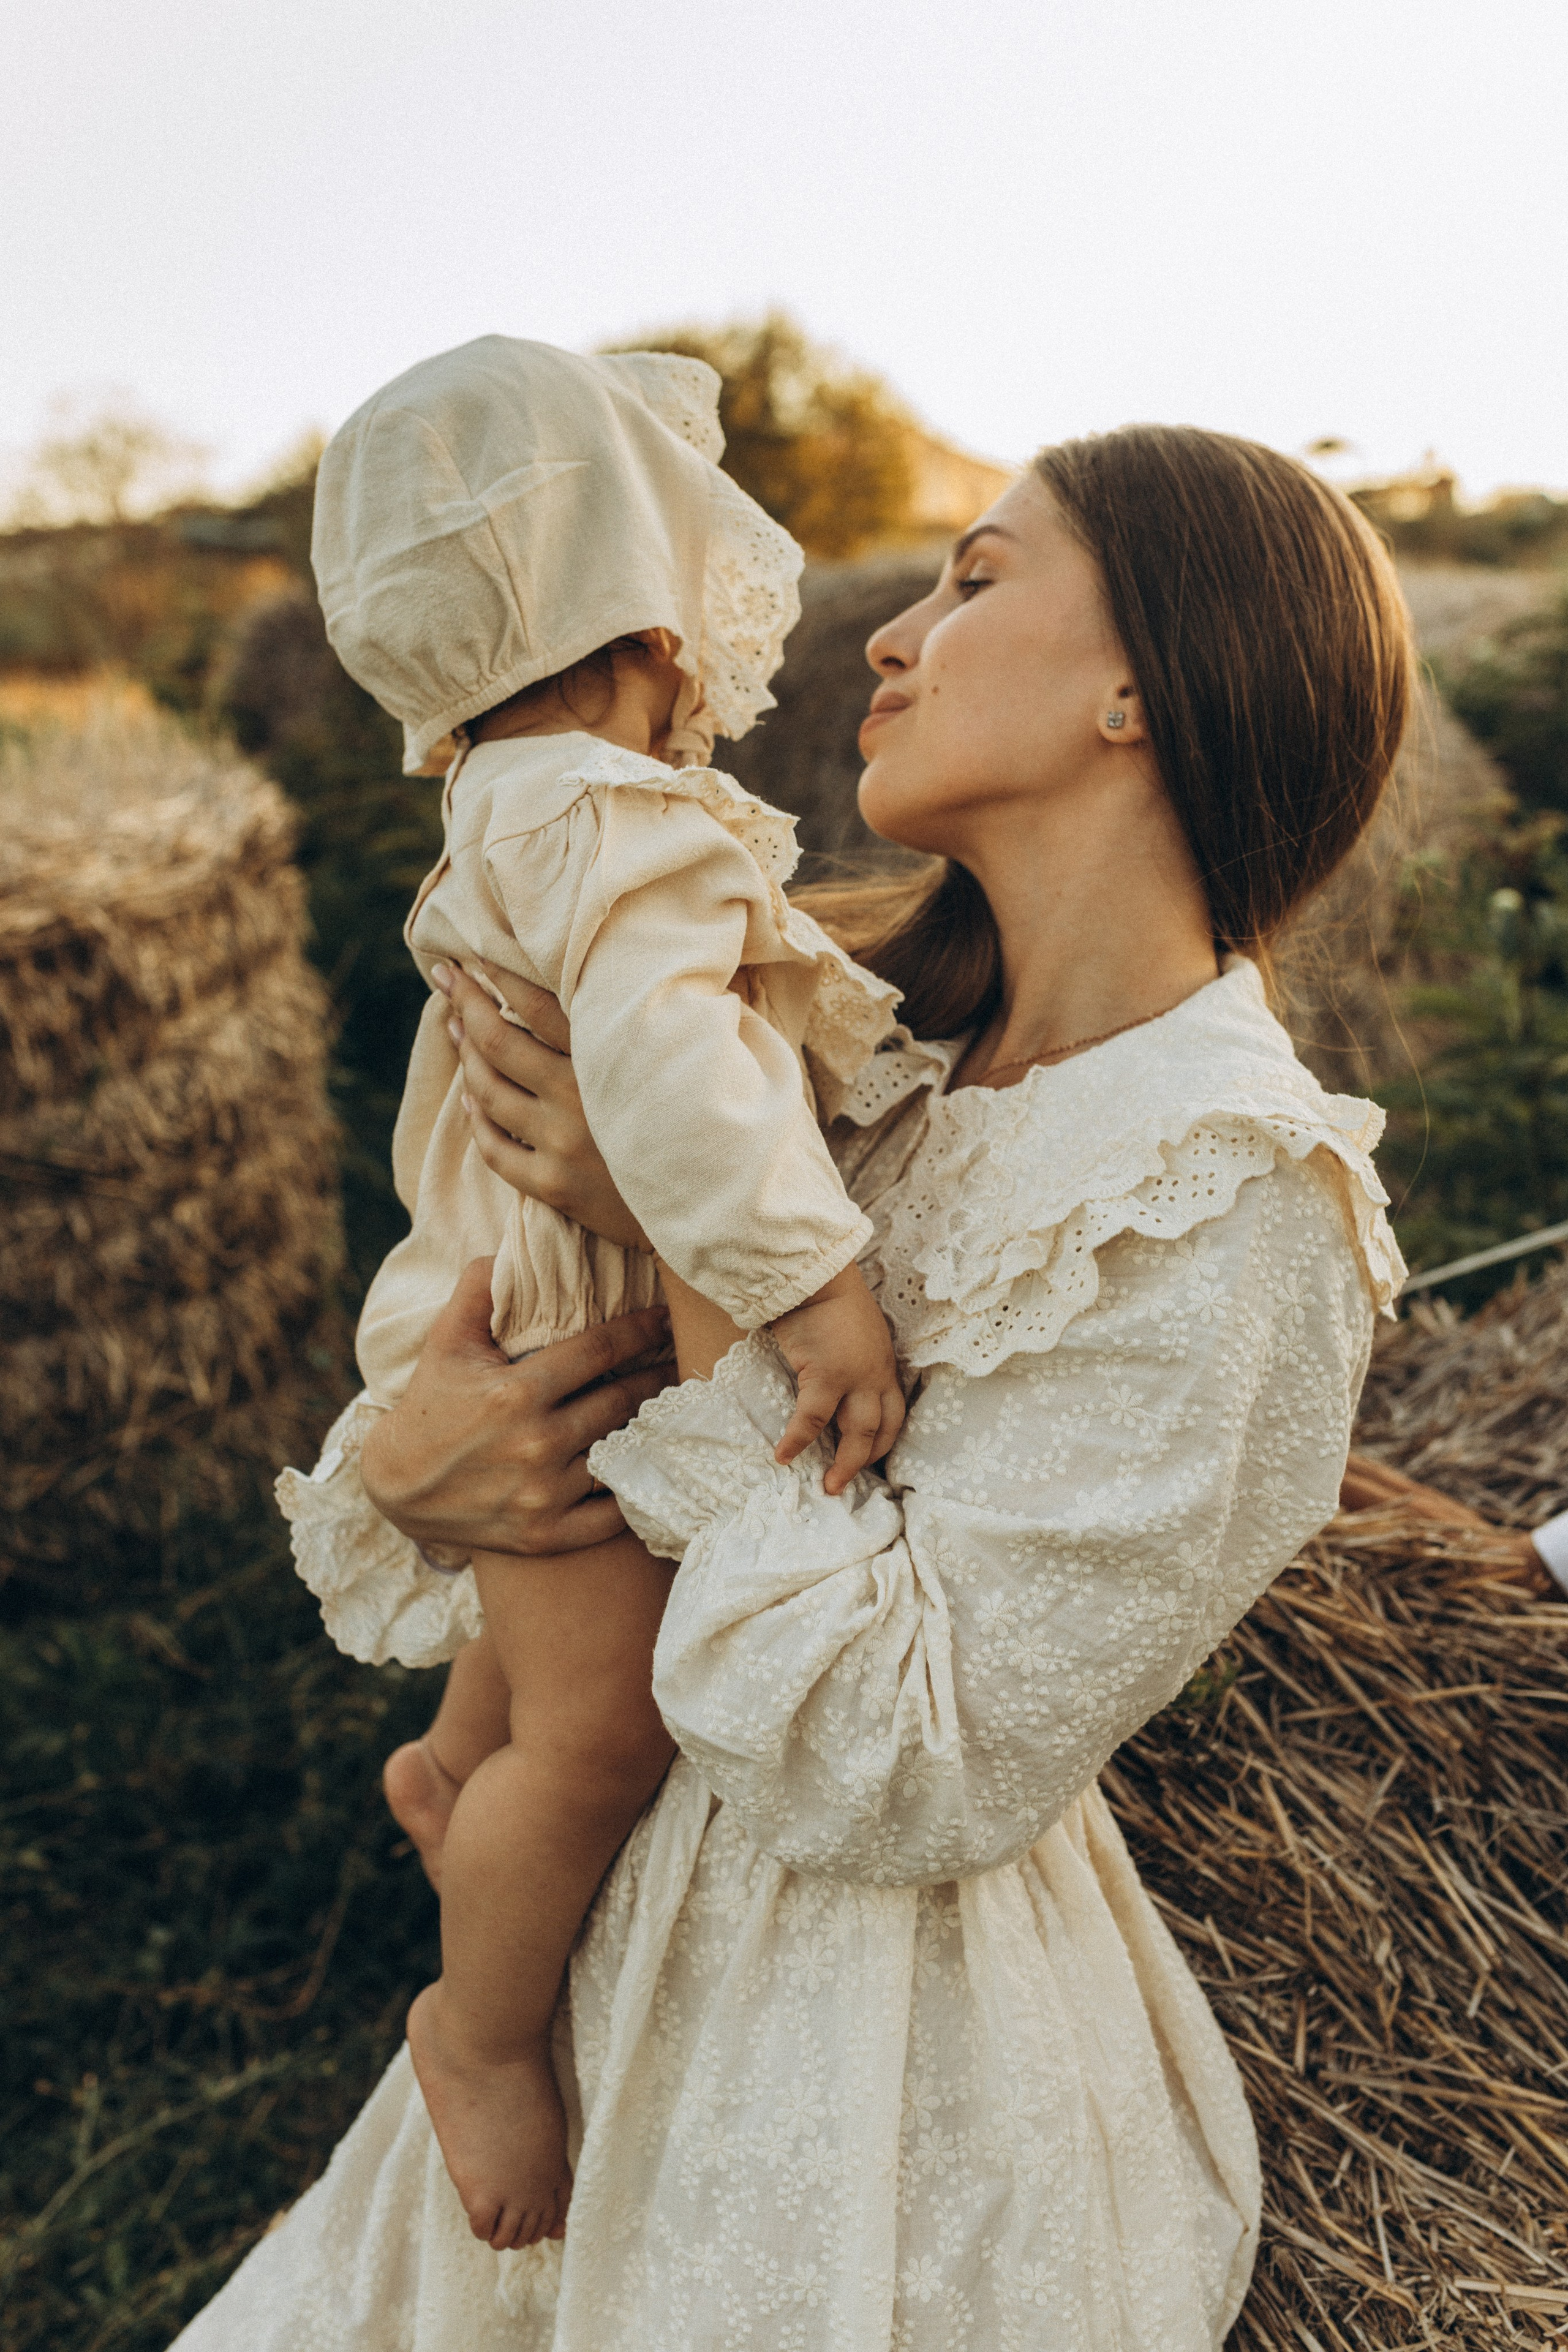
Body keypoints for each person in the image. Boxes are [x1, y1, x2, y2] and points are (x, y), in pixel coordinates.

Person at [175, 423, 1412, 2352]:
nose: (891, 638)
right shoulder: (858, 1061)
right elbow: (547, 1371)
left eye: (976, 579)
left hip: (868, 2063)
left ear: (1142, 687)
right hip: (596, 1924)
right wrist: (441, 1471)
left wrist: (682, 1240)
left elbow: (906, 1765)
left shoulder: (1237, 1195)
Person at [282, 336, 908, 2250]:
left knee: (534, 1683)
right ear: (647, 622)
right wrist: (817, 1282)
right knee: (608, 1732)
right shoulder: (617, 821)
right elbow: (666, 1070)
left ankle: (456, 1764)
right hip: (566, 1346)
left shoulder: (508, 809)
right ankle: (476, 2025)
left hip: (509, 1296)